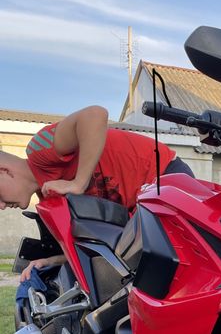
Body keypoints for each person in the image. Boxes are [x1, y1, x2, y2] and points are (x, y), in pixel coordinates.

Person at [0, 105, 194, 281]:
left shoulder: (39, 150)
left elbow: (95, 115)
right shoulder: (49, 197)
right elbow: (89, 247)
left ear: (4, 171)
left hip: (164, 178)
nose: (1, 206)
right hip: (138, 214)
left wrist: (79, 183)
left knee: (178, 273)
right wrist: (51, 261)